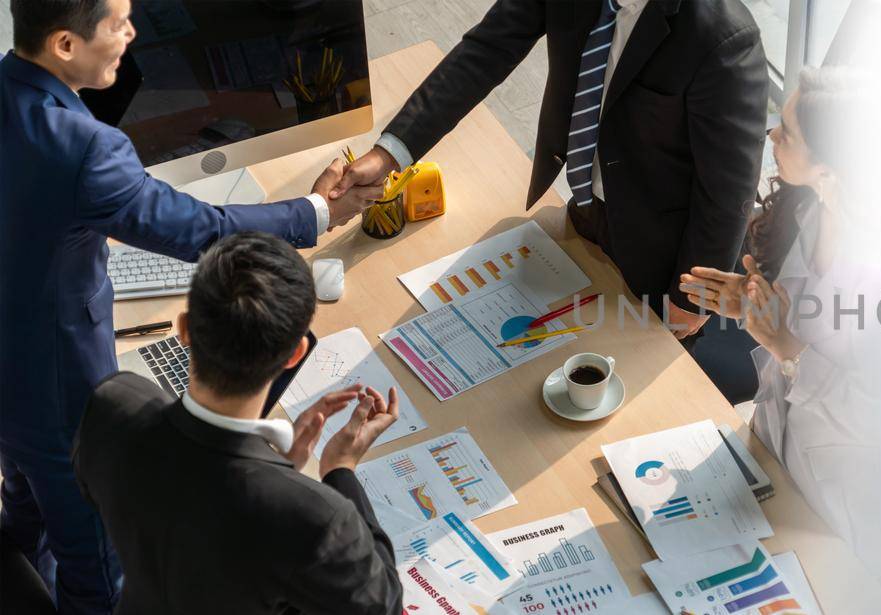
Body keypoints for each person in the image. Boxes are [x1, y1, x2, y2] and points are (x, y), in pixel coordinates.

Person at [0, 1, 376, 611]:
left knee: (23, 506)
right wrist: (317, 212)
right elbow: (201, 228)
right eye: (118, 23)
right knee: (94, 567)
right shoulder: (84, 149)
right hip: (55, 387)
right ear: (65, 44)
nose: (133, 32)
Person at [333, 0, 768, 339]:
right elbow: (486, 50)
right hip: (582, 206)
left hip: (664, 254)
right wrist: (390, 154)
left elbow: (728, 192)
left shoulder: (724, 38)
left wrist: (691, 299)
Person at [74, 233, 405, 614]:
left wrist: (277, 470)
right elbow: (382, 606)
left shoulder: (113, 403)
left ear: (184, 328)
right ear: (296, 353)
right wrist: (340, 470)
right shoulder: (317, 519)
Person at [677, 67, 879, 550]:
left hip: (833, 500)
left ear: (829, 168)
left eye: (786, 133)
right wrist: (750, 296)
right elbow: (804, 313)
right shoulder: (810, 206)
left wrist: (786, 346)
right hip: (770, 445)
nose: (771, 135)